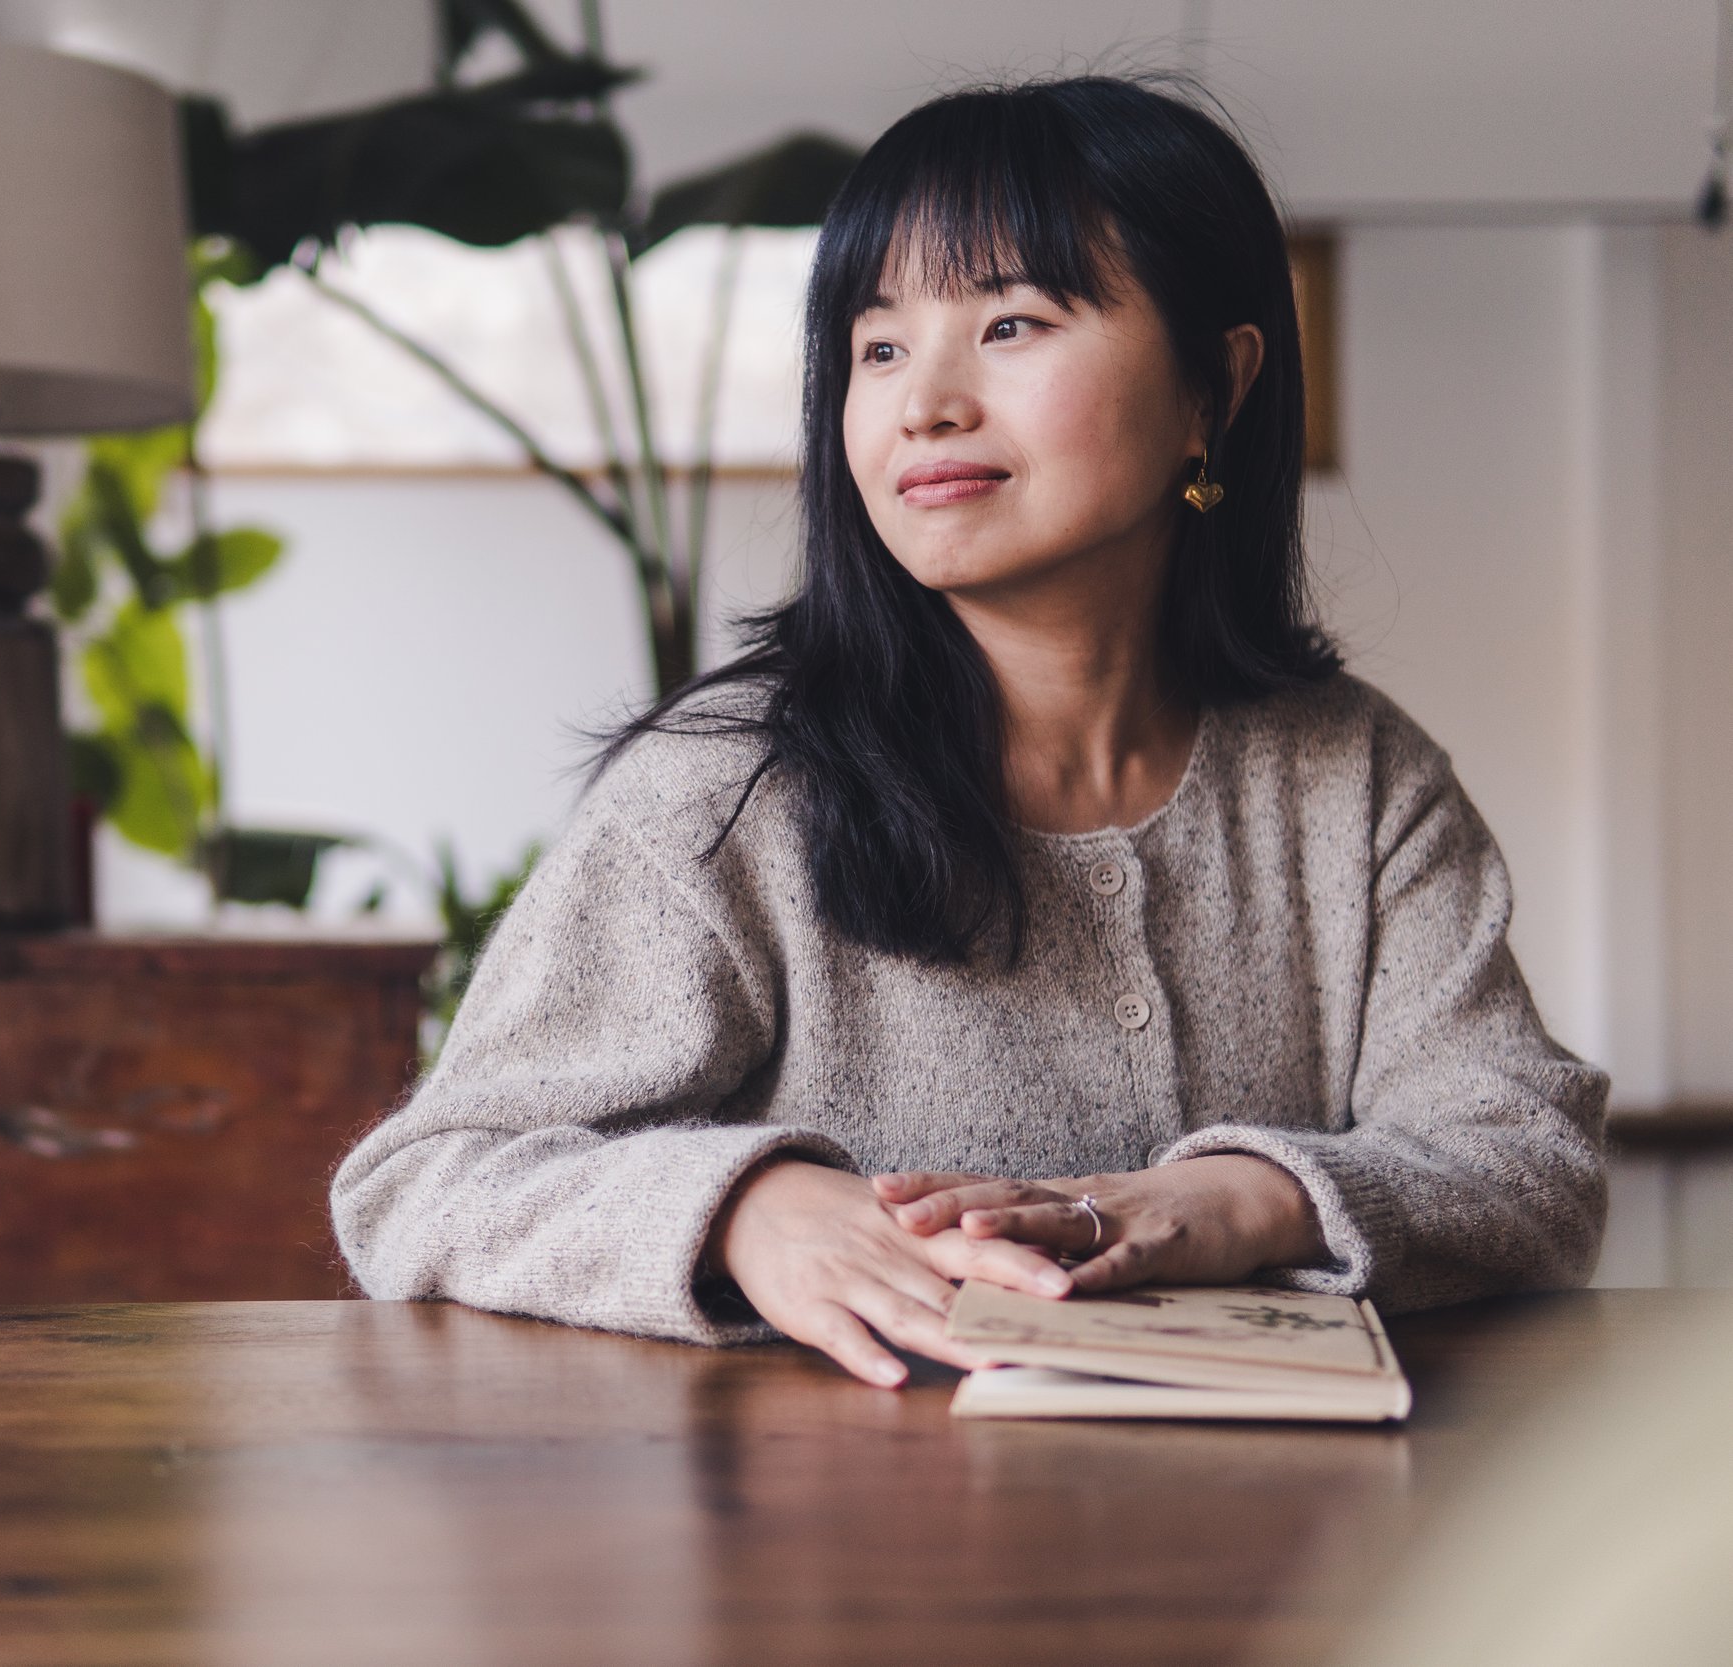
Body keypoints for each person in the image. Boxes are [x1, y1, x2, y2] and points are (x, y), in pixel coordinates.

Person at [329, 76, 1608, 1389]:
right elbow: (428, 1180)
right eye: (877, 348)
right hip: (836, 1551)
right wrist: (746, 1211)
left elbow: (1529, 1160)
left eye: (1010, 322)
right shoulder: (730, 788)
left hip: (1283, 1549)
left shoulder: (1355, 777)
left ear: (1210, 391)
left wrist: (1239, 1199)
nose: (922, 402)